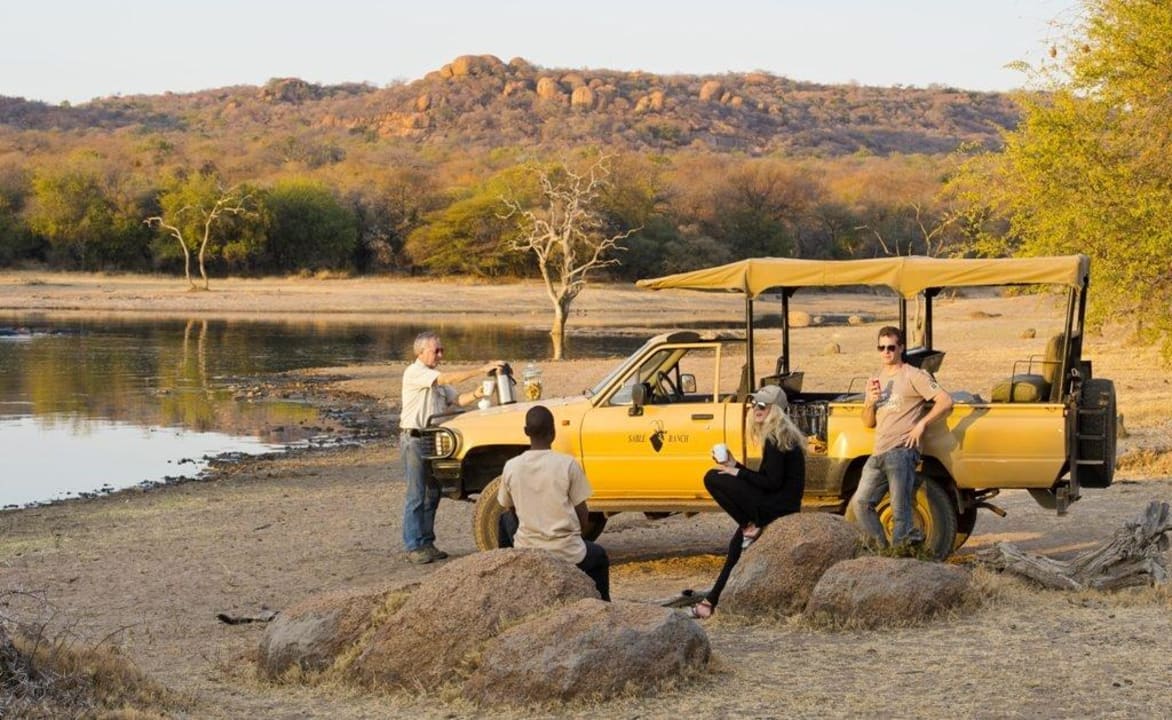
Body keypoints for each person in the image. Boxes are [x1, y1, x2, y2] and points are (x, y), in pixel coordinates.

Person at [690, 384, 806, 619]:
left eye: (762, 405)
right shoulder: (777, 436)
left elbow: (771, 483)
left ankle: (748, 526)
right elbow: (767, 480)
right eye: (754, 404)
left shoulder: (777, 437)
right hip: (777, 501)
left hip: (778, 506)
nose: (756, 409)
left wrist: (737, 474)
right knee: (735, 548)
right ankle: (710, 602)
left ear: (776, 410)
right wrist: (735, 466)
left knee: (712, 478)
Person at [400, 330, 502, 565]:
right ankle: (414, 544)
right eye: (436, 350)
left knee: (433, 492)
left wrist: (480, 393)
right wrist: (481, 369)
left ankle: (426, 541)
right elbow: (448, 379)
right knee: (416, 493)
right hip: (414, 438)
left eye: (441, 350)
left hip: (433, 438)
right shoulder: (415, 373)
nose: (440, 354)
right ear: (421, 352)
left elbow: (458, 399)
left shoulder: (434, 376)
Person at [847, 326, 953, 552]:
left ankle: (901, 557)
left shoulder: (914, 375)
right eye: (881, 347)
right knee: (861, 503)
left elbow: (945, 401)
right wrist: (870, 401)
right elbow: (868, 422)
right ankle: (883, 551)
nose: (886, 352)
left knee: (900, 509)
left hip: (901, 451)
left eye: (891, 347)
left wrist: (921, 424)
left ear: (901, 348)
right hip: (878, 452)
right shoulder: (876, 380)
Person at [497, 405, 610, 601]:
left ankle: (507, 571)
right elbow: (583, 513)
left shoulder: (511, 466)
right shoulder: (567, 464)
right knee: (599, 557)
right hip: (566, 550)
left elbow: (509, 507)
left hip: (528, 547)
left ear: (526, 432)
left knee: (503, 520)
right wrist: (576, 535)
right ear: (554, 433)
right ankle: (602, 606)